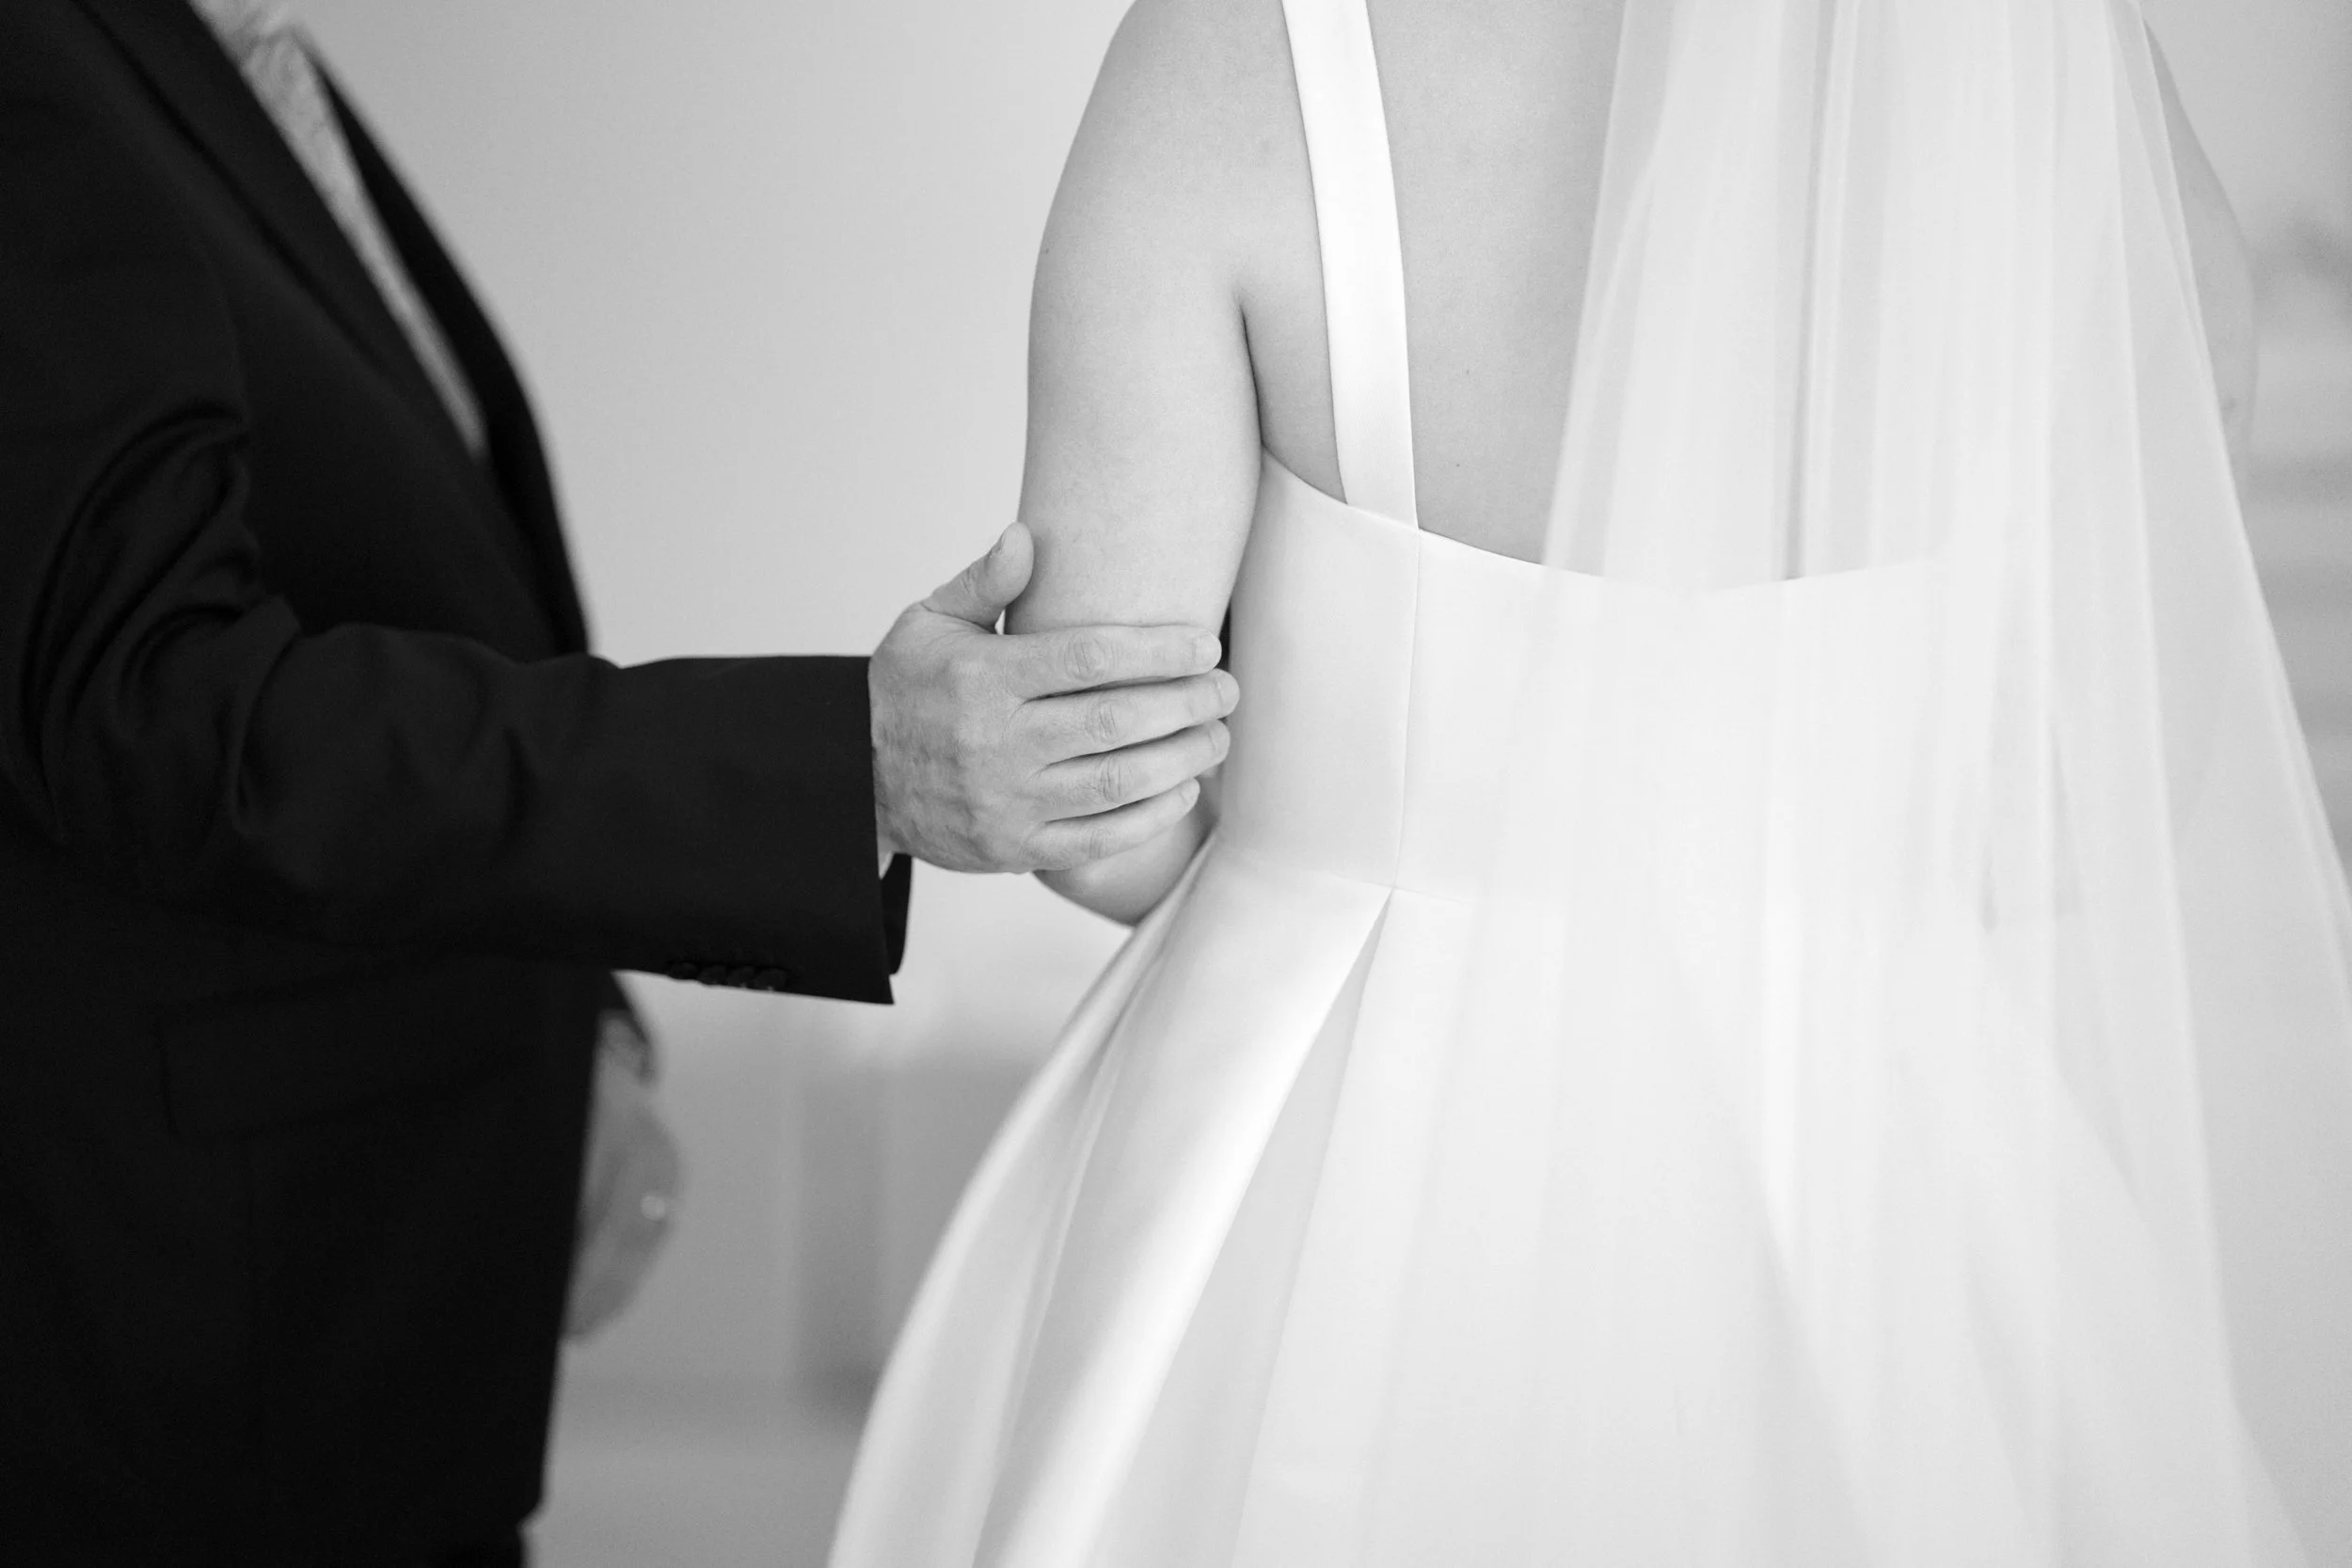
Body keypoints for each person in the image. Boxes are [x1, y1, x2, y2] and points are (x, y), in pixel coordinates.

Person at [833, 0, 2352, 1563]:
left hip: (1343, 1137)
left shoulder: (1238, 48)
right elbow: (2115, 753)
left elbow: (1103, 787)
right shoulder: (2028, 63)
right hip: (1882, 1135)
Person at [0, 0, 1237, 1563]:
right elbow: (155, 706)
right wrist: (847, 771)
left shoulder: (244, 66)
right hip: (198, 1338)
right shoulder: (38, 69)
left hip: (378, 1281)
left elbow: (415, 593)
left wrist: (576, 1023)